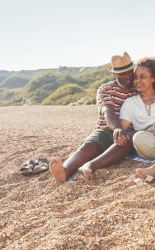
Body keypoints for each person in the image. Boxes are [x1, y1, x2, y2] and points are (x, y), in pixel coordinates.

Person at [49, 52, 140, 182]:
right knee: (89, 147)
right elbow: (107, 111)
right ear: (115, 74)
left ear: (133, 70)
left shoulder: (139, 88)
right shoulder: (105, 89)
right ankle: (64, 171)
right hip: (105, 130)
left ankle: (91, 165)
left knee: (126, 139)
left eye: (129, 72)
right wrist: (117, 128)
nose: (127, 76)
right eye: (122, 73)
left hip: (128, 132)